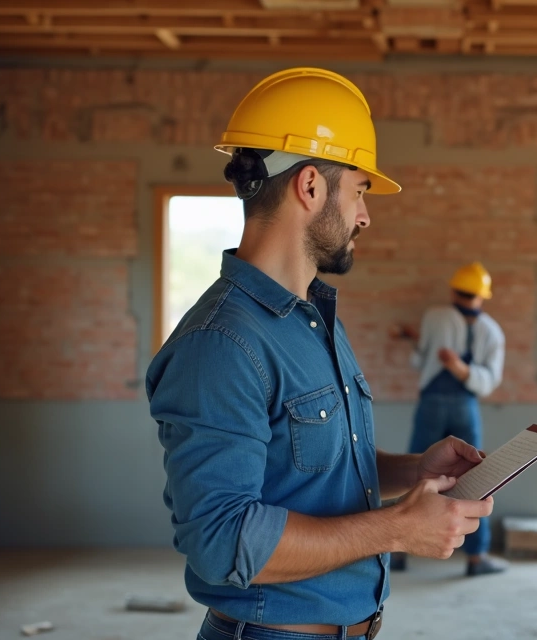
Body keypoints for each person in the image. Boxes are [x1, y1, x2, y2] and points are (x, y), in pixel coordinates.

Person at [146, 67, 495, 640]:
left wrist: (414, 470)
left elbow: (314, 465)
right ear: (309, 186)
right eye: (359, 190)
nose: (365, 215)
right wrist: (396, 530)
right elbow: (221, 541)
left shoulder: (310, 319)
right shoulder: (222, 343)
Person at [388, 262, 508, 577]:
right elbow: (490, 379)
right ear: (483, 296)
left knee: (417, 470)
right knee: (474, 477)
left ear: (454, 290)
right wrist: (464, 371)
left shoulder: (435, 316)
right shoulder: (492, 330)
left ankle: (398, 553)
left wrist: (433, 352)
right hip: (465, 404)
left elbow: (421, 359)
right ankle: (476, 557)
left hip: (431, 402)